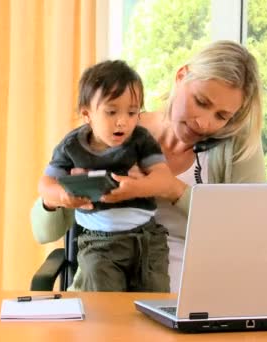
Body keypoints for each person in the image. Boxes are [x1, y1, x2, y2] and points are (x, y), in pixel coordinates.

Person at [32, 40, 266, 292]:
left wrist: (173, 189)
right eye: (201, 101)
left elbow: (250, 236)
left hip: (197, 303)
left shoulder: (236, 150)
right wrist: (60, 197)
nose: (204, 122)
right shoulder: (109, 132)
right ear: (181, 76)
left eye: (222, 116)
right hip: (105, 287)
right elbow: (42, 232)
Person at [37, 60, 173, 292]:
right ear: (87, 114)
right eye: (111, 112)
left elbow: (162, 177)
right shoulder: (71, 146)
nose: (123, 121)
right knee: (104, 305)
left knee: (154, 307)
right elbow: (45, 184)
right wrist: (63, 197)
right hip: (99, 243)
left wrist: (136, 188)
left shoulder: (140, 140)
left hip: (148, 240)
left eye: (132, 112)